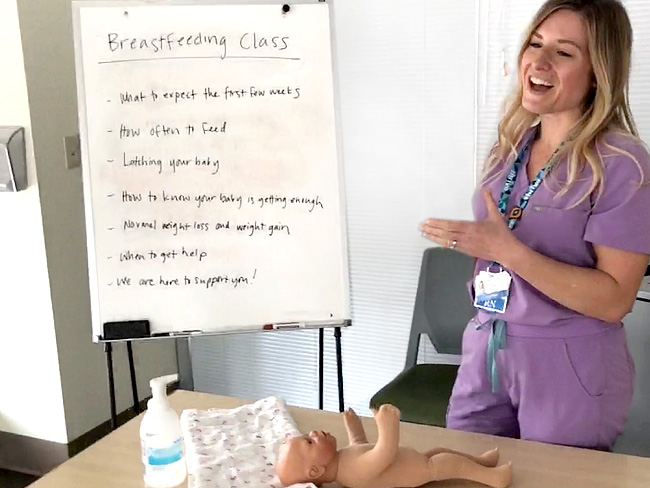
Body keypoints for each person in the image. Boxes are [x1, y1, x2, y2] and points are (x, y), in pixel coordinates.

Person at [419, 0, 650, 451]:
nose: (539, 62)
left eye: (564, 52)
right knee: (462, 469)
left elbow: (615, 300)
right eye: (535, 43)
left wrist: (509, 251)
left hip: (568, 361)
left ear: (599, 70)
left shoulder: (623, 165)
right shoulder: (510, 148)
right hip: (488, 343)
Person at [275, 404, 512, 488]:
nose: (314, 432)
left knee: (442, 451)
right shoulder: (351, 473)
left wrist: (353, 425)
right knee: (445, 463)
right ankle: (492, 479)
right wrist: (388, 426)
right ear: (316, 471)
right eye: (309, 441)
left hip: (414, 459)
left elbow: (360, 445)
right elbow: (383, 454)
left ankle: (481, 462)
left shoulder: (343, 462)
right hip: (419, 470)